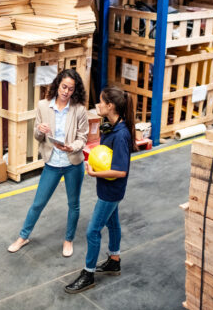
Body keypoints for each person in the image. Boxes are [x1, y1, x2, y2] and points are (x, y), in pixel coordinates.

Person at [65, 86, 138, 293]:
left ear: (110, 105)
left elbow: (121, 171)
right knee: (113, 224)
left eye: (100, 102)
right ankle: (114, 260)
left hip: (111, 190)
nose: (97, 105)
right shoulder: (111, 127)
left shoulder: (121, 134)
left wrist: (93, 173)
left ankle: (88, 274)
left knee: (92, 231)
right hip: (107, 187)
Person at [8, 69, 89, 257]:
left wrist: (72, 146)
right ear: (57, 85)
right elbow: (37, 136)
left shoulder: (79, 110)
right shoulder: (43, 106)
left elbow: (83, 137)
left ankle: (68, 240)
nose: (66, 92)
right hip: (52, 163)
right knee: (38, 203)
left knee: (74, 204)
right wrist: (40, 129)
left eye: (70, 89)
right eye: (63, 87)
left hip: (72, 164)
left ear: (74, 91)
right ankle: (23, 236)